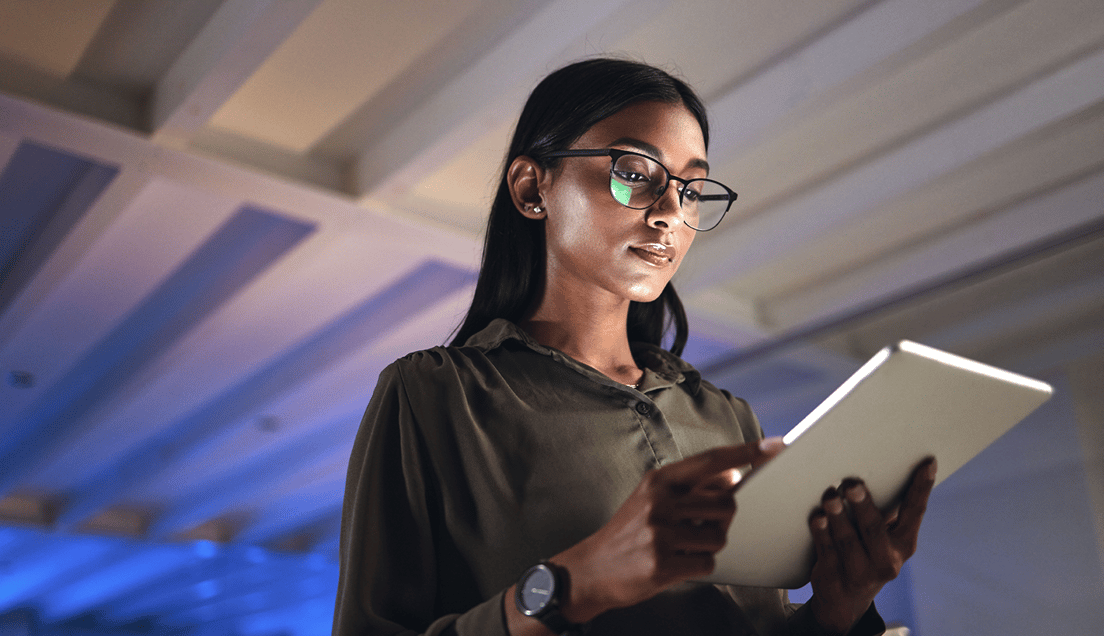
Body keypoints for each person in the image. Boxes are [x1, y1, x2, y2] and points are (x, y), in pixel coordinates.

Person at [332, 58, 935, 636]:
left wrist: (835, 612)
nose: (672, 211)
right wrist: (574, 584)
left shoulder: (727, 415)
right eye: (635, 173)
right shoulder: (436, 395)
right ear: (531, 188)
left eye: (693, 190)